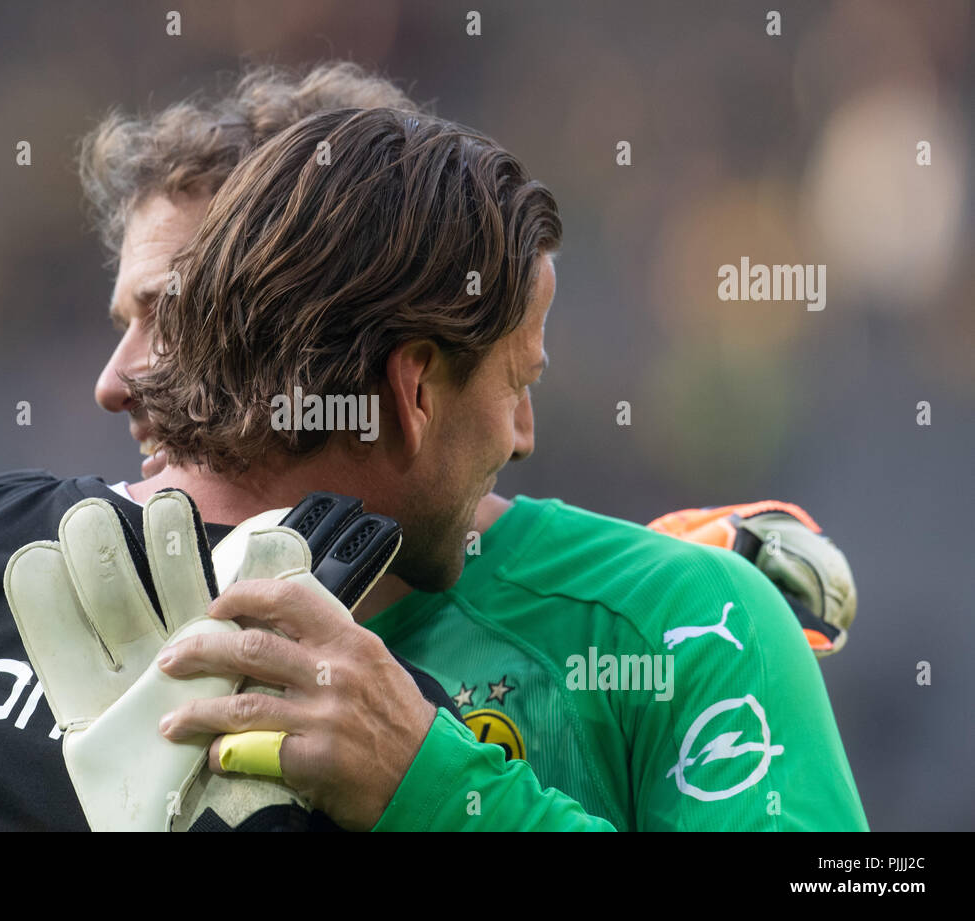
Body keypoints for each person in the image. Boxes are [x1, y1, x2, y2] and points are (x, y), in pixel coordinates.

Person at [79, 64, 865, 831]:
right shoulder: (78, 631)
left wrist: (435, 790)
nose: (114, 382)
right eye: (126, 324)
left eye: (173, 318)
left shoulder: (682, 625)